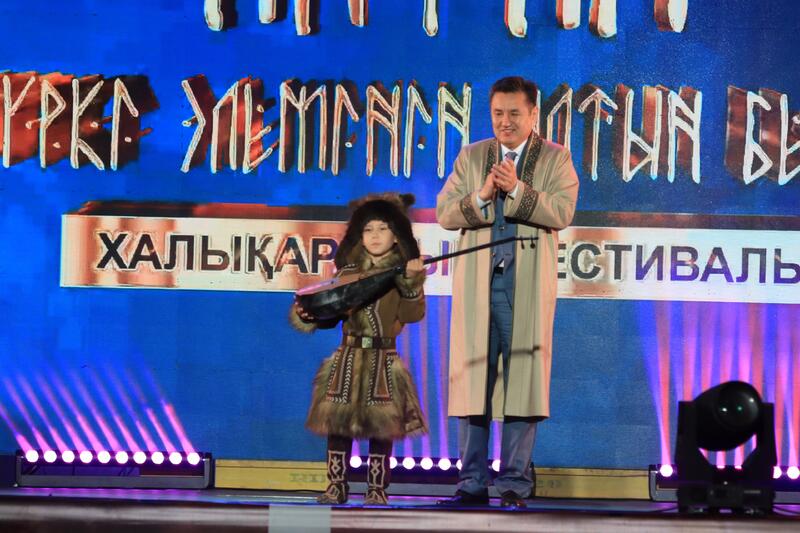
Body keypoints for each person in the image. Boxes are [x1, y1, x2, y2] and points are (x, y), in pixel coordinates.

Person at [435, 76, 579, 508]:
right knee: (472, 382)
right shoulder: (472, 156)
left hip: (525, 288)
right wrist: (482, 194)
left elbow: (562, 212)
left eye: (515, 113)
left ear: (533, 114)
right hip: (478, 289)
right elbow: (445, 213)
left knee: (522, 384)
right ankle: (471, 482)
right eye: (498, 113)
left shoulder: (556, 157)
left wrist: (516, 189)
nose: (505, 122)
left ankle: (514, 483)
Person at [291, 192, 429, 505]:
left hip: (383, 360)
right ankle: (336, 486)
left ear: (396, 236)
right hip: (348, 359)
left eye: (383, 228)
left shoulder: (402, 275)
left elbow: (412, 315)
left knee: (382, 429)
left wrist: (413, 283)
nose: (375, 235)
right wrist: (309, 314)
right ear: (359, 235)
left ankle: (377, 489)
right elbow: (330, 315)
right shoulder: (348, 274)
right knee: (338, 424)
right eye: (368, 230)